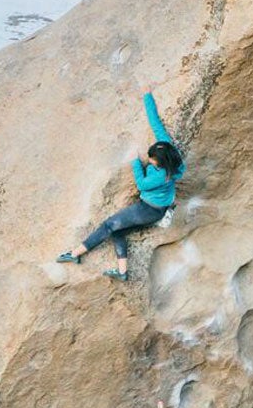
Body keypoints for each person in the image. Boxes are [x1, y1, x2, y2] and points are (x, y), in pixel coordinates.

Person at [58, 92, 184, 280]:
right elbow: (156, 124)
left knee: (109, 225)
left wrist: (135, 161)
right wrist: (147, 96)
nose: (149, 160)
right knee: (118, 231)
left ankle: (74, 254)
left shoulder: (160, 177)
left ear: (161, 163)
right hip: (159, 205)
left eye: (152, 160)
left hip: (149, 210)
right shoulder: (168, 150)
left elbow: (141, 185)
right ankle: (122, 272)